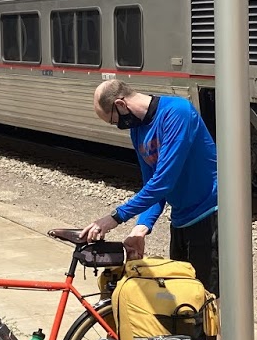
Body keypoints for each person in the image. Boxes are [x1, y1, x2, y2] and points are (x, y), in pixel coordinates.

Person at [79, 77, 219, 296]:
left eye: (114, 121)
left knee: (207, 300)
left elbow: (164, 181)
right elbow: (152, 186)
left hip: (208, 214)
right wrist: (140, 229)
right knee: (186, 299)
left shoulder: (177, 113)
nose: (118, 127)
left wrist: (114, 218)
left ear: (121, 105)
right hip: (181, 220)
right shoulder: (138, 130)